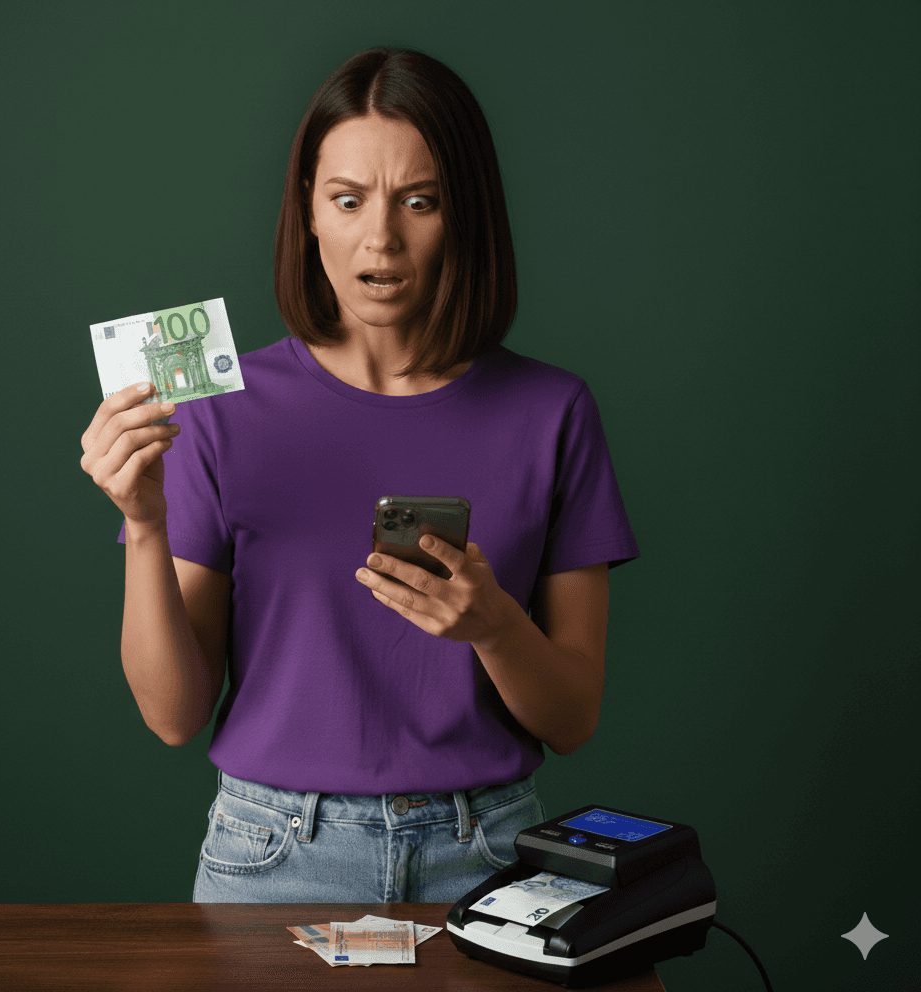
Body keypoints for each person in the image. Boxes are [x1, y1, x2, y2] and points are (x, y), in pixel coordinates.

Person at [80, 47, 640, 904]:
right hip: (271, 858)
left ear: (466, 215)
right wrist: (146, 527)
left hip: (487, 856)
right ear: (308, 210)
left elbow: (573, 719)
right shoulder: (216, 412)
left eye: (420, 201)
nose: (381, 238)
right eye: (348, 200)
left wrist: (493, 626)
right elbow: (173, 716)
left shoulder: (551, 411)